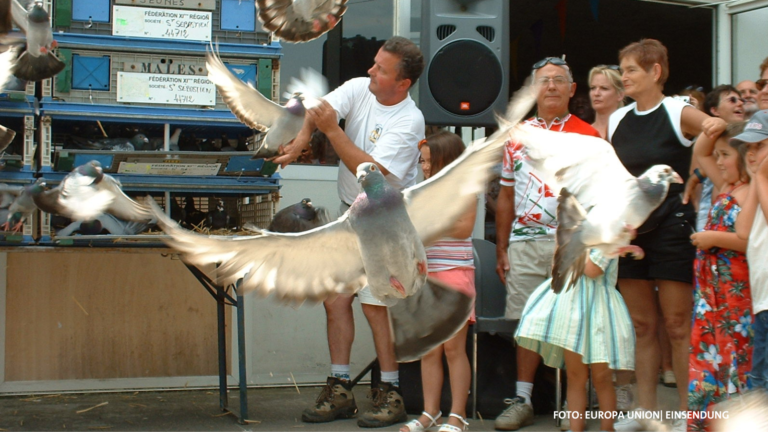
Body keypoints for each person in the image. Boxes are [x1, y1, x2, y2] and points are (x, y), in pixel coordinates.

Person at [273, 36, 426, 428]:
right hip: (348, 216)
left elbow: (371, 171)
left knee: (376, 307)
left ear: (403, 82)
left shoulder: (410, 120)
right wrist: (303, 140)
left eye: (381, 68)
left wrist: (331, 131)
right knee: (335, 301)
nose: (371, 71)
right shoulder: (361, 87)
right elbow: (319, 111)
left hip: (384, 223)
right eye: (374, 63)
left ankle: (390, 394)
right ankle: (340, 388)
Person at [606, 39, 715, 432]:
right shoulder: (617, 119)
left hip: (673, 227)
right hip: (631, 230)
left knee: (676, 324)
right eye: (623, 70)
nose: (625, 77)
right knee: (642, 326)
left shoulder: (676, 109)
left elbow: (717, 129)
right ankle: (647, 415)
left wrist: (699, 175)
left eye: (632, 69)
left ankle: (691, 417)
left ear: (655, 71)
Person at [494, 56, 600, 432]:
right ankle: (522, 399)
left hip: (570, 246)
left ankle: (573, 404)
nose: (551, 86)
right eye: (544, 80)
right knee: (526, 322)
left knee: (574, 322)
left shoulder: (589, 136)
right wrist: (502, 247)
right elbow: (504, 196)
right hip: (523, 243)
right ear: (533, 90)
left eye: (559, 80)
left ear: (573, 90)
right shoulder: (516, 135)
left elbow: (597, 198)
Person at [400, 131, 476, 432]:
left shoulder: (465, 187)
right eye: (422, 161)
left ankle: (457, 415)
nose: (425, 167)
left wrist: (425, 225)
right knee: (430, 349)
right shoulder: (420, 190)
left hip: (456, 276)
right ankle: (430, 413)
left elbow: (463, 227)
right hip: (427, 278)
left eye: (430, 161)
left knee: (454, 350)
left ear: (448, 159)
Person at [515, 248, 634, 432]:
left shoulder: (607, 236)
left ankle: (607, 428)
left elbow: (592, 269)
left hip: (599, 313)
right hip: (572, 312)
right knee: (575, 376)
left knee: (602, 378)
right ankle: (575, 427)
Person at [688, 121, 752, 431]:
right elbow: (701, 150)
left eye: (726, 154)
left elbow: (747, 239)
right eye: (719, 155)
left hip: (736, 294)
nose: (719, 161)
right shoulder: (726, 185)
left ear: (744, 156)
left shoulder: (750, 191)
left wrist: (712, 238)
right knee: (707, 352)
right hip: (710, 293)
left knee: (735, 352)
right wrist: (715, 127)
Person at [735, 110, 768, 395]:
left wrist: (762, 179)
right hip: (762, 300)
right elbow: (743, 231)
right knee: (759, 382)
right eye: (749, 148)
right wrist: (758, 180)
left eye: (761, 146)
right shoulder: (760, 185)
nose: (752, 154)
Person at [588, 65, 625, 139]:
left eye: (604, 88)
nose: (596, 93)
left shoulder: (629, 131)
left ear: (620, 95)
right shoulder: (582, 132)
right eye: (593, 88)